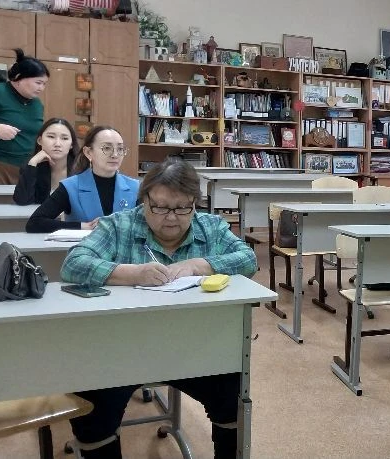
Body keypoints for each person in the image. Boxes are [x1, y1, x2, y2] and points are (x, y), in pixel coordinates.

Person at [60, 158, 257, 459]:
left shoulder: (211, 227)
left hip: (194, 348)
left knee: (232, 395)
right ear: (145, 200)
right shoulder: (119, 225)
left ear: (194, 203)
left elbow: (248, 259)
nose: (172, 217)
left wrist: (200, 265)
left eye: (182, 208)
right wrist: (131, 273)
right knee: (94, 406)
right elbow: (73, 264)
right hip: (120, 349)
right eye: (161, 207)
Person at [26, 126, 138, 233]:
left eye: (120, 149)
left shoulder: (136, 187)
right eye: (107, 148)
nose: (115, 155)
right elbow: (35, 222)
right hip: (82, 246)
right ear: (88, 152)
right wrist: (82, 226)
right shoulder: (71, 187)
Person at [0, 49, 48, 185]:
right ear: (19, 77)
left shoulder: (37, 104)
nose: (41, 88)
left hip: (25, 167)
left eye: (44, 84)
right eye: (38, 82)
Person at [12, 117, 77, 205]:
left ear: (71, 144)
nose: (57, 144)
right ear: (40, 141)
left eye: (64, 138)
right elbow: (22, 200)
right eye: (51, 137)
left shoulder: (82, 169)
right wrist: (33, 163)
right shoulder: (32, 167)